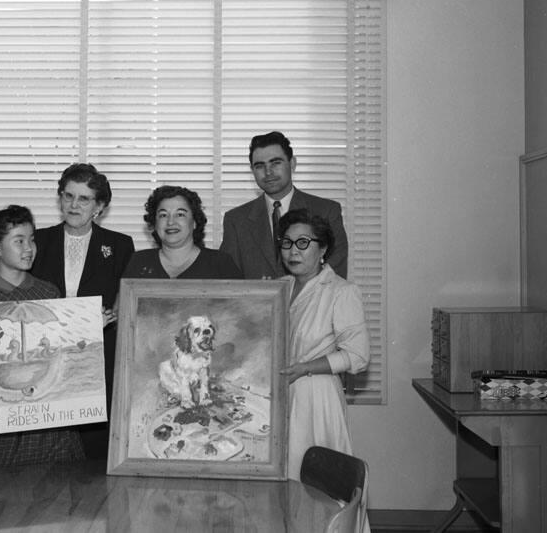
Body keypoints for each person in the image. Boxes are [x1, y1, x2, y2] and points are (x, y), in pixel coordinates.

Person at [0, 204, 85, 476]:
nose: (29, 248)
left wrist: (88, 327)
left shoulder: (50, 292)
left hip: (44, 429)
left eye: (32, 239)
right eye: (19, 241)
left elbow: (60, 346)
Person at [31, 163, 134, 459]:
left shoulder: (119, 245)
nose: (74, 205)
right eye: (68, 196)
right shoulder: (39, 241)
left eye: (84, 199)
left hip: (97, 357)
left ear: (99, 206)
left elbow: (123, 302)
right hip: (48, 354)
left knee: (93, 450)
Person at [277, 208, 369, 483]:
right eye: (287, 243)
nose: (293, 251)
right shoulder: (278, 288)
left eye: (303, 243)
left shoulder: (341, 291)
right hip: (281, 396)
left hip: (316, 397)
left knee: (317, 486)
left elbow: (357, 356)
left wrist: (306, 367)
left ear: (323, 249)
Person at [220, 131, 349, 279]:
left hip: (314, 301)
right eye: (260, 166)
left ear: (292, 163)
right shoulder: (236, 220)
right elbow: (228, 280)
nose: (268, 172)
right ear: (252, 171)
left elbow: (335, 274)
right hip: (258, 302)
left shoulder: (326, 211)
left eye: (276, 163)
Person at [123, 185, 242, 279]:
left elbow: (241, 307)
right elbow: (125, 306)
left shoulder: (220, 263)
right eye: (163, 215)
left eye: (180, 214)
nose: (170, 222)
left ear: (195, 221)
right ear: (154, 223)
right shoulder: (139, 261)